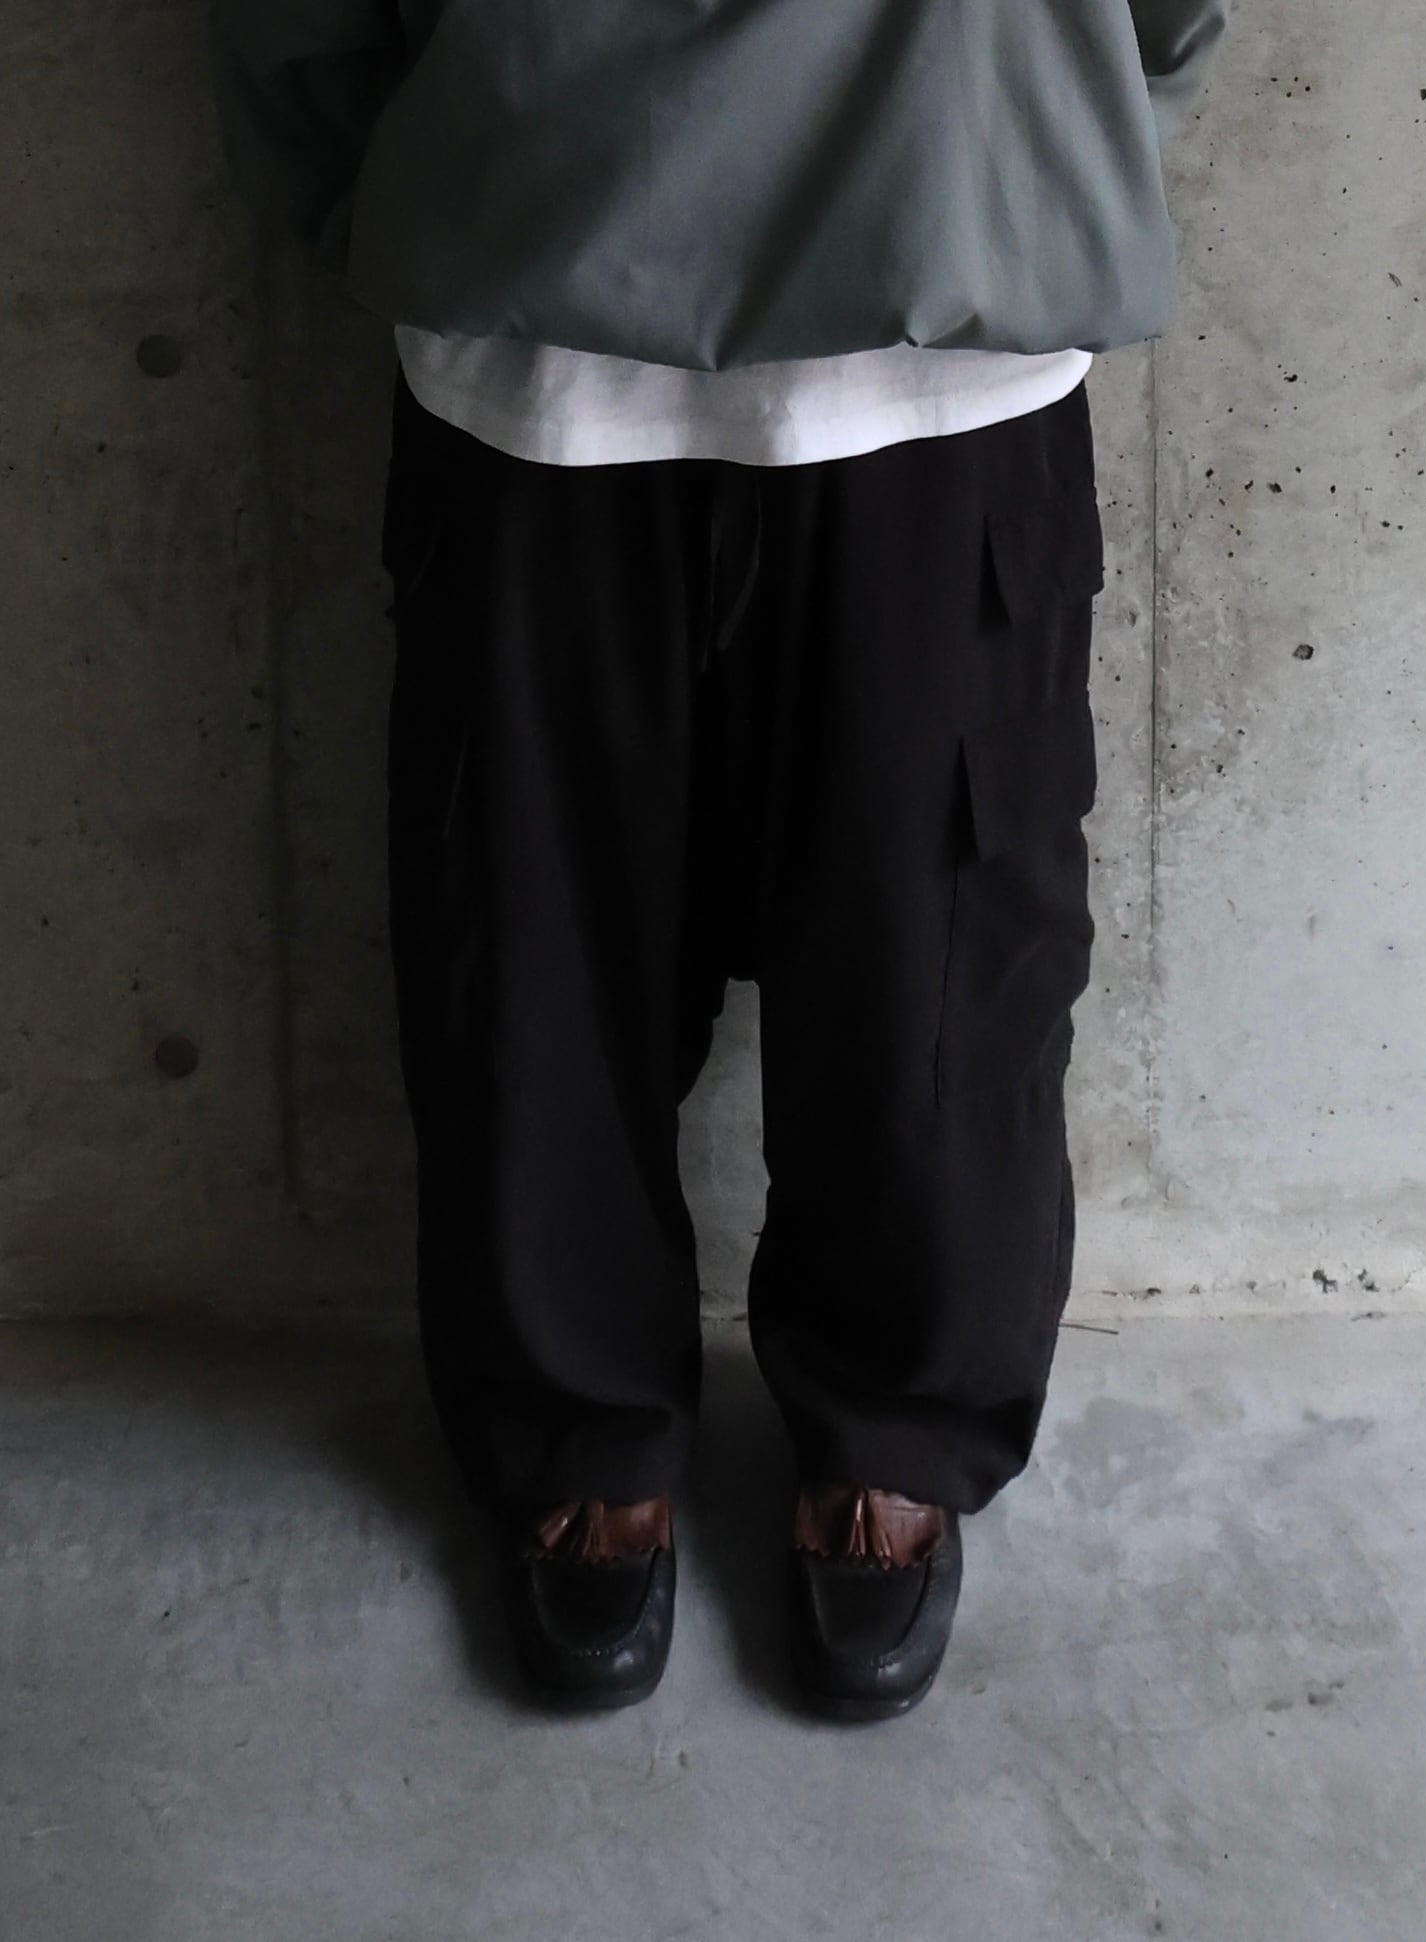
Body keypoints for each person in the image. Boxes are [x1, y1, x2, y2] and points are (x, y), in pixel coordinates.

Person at [208, 0, 1230, 1721]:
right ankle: (587, 1416)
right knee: (535, 935)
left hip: (929, 289)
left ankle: (876, 1413)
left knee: (932, 960)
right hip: (553, 306)